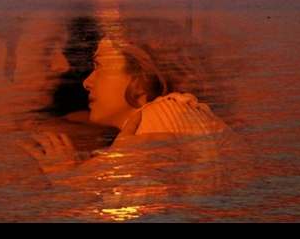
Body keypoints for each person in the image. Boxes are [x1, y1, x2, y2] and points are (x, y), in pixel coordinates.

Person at [23, 15, 237, 208]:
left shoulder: (163, 113)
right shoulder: (175, 115)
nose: (87, 82)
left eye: (100, 66)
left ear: (140, 79)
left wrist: (79, 185)